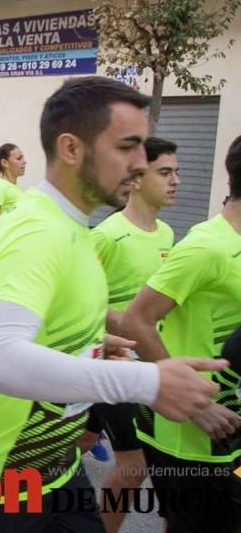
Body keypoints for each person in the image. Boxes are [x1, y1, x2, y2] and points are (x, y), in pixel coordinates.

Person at [0, 77, 224, 533]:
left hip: (56, 468)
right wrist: (148, 380)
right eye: (127, 146)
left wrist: (91, 343)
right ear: (72, 148)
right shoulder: (38, 231)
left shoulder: (75, 225)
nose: (140, 164)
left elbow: (32, 318)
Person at [119, 134, 241, 533]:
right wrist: (195, 405)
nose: (175, 180)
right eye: (165, 172)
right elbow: (136, 319)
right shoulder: (206, 247)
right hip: (192, 431)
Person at [77, 136, 179, 533]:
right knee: (134, 466)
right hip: (111, 364)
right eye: (165, 172)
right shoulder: (107, 234)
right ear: (136, 178)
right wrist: (131, 329)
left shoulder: (168, 234)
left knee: (75, 444)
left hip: (142, 365)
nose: (176, 181)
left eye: (177, 172)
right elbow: (80, 301)